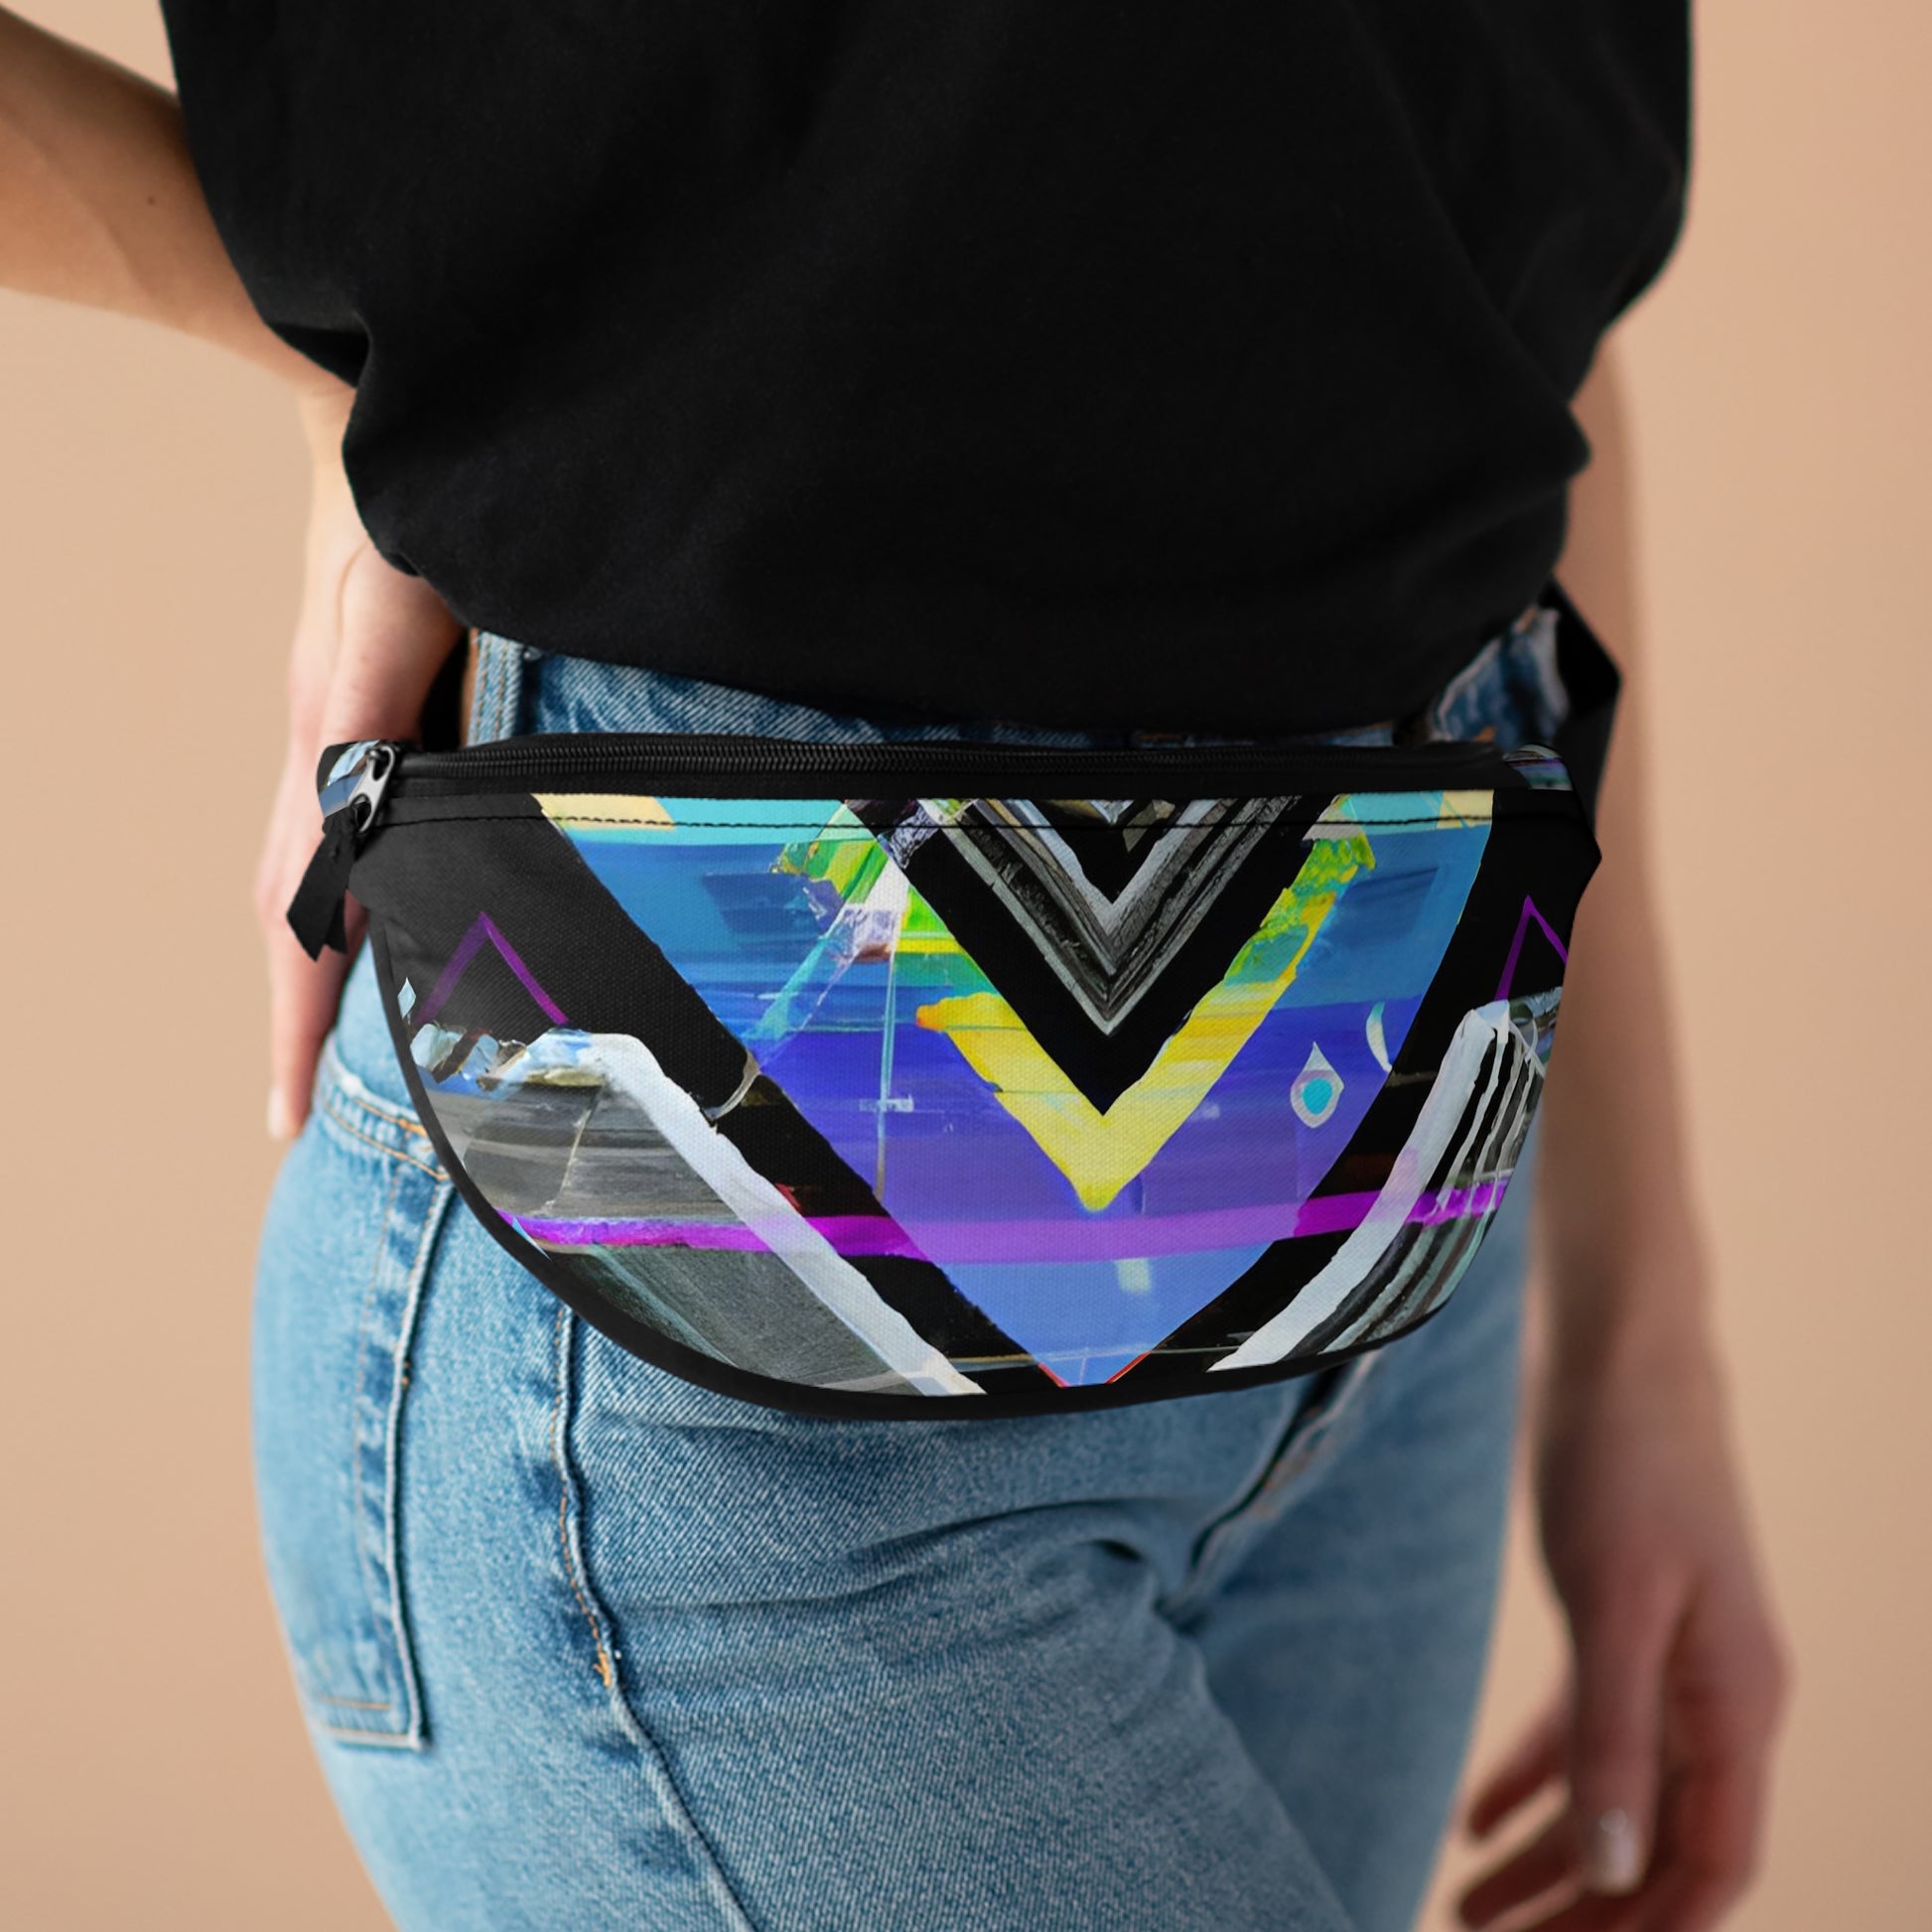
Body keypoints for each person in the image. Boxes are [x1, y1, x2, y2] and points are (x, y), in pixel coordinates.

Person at [0, 8, 1787, 1929]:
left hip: (1405, 1204)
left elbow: (1501, 264)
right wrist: (351, 374)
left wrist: (1641, 1332)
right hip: (724, 1320)